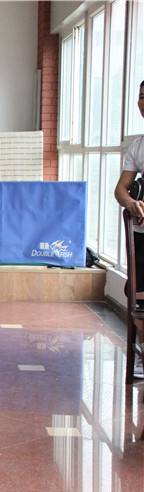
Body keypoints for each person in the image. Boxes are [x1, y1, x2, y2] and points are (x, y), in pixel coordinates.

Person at [113, 79, 144, 378]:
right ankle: (142, 351)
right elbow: (121, 190)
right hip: (142, 233)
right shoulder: (138, 146)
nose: (143, 102)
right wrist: (132, 203)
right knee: (136, 293)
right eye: (142, 96)